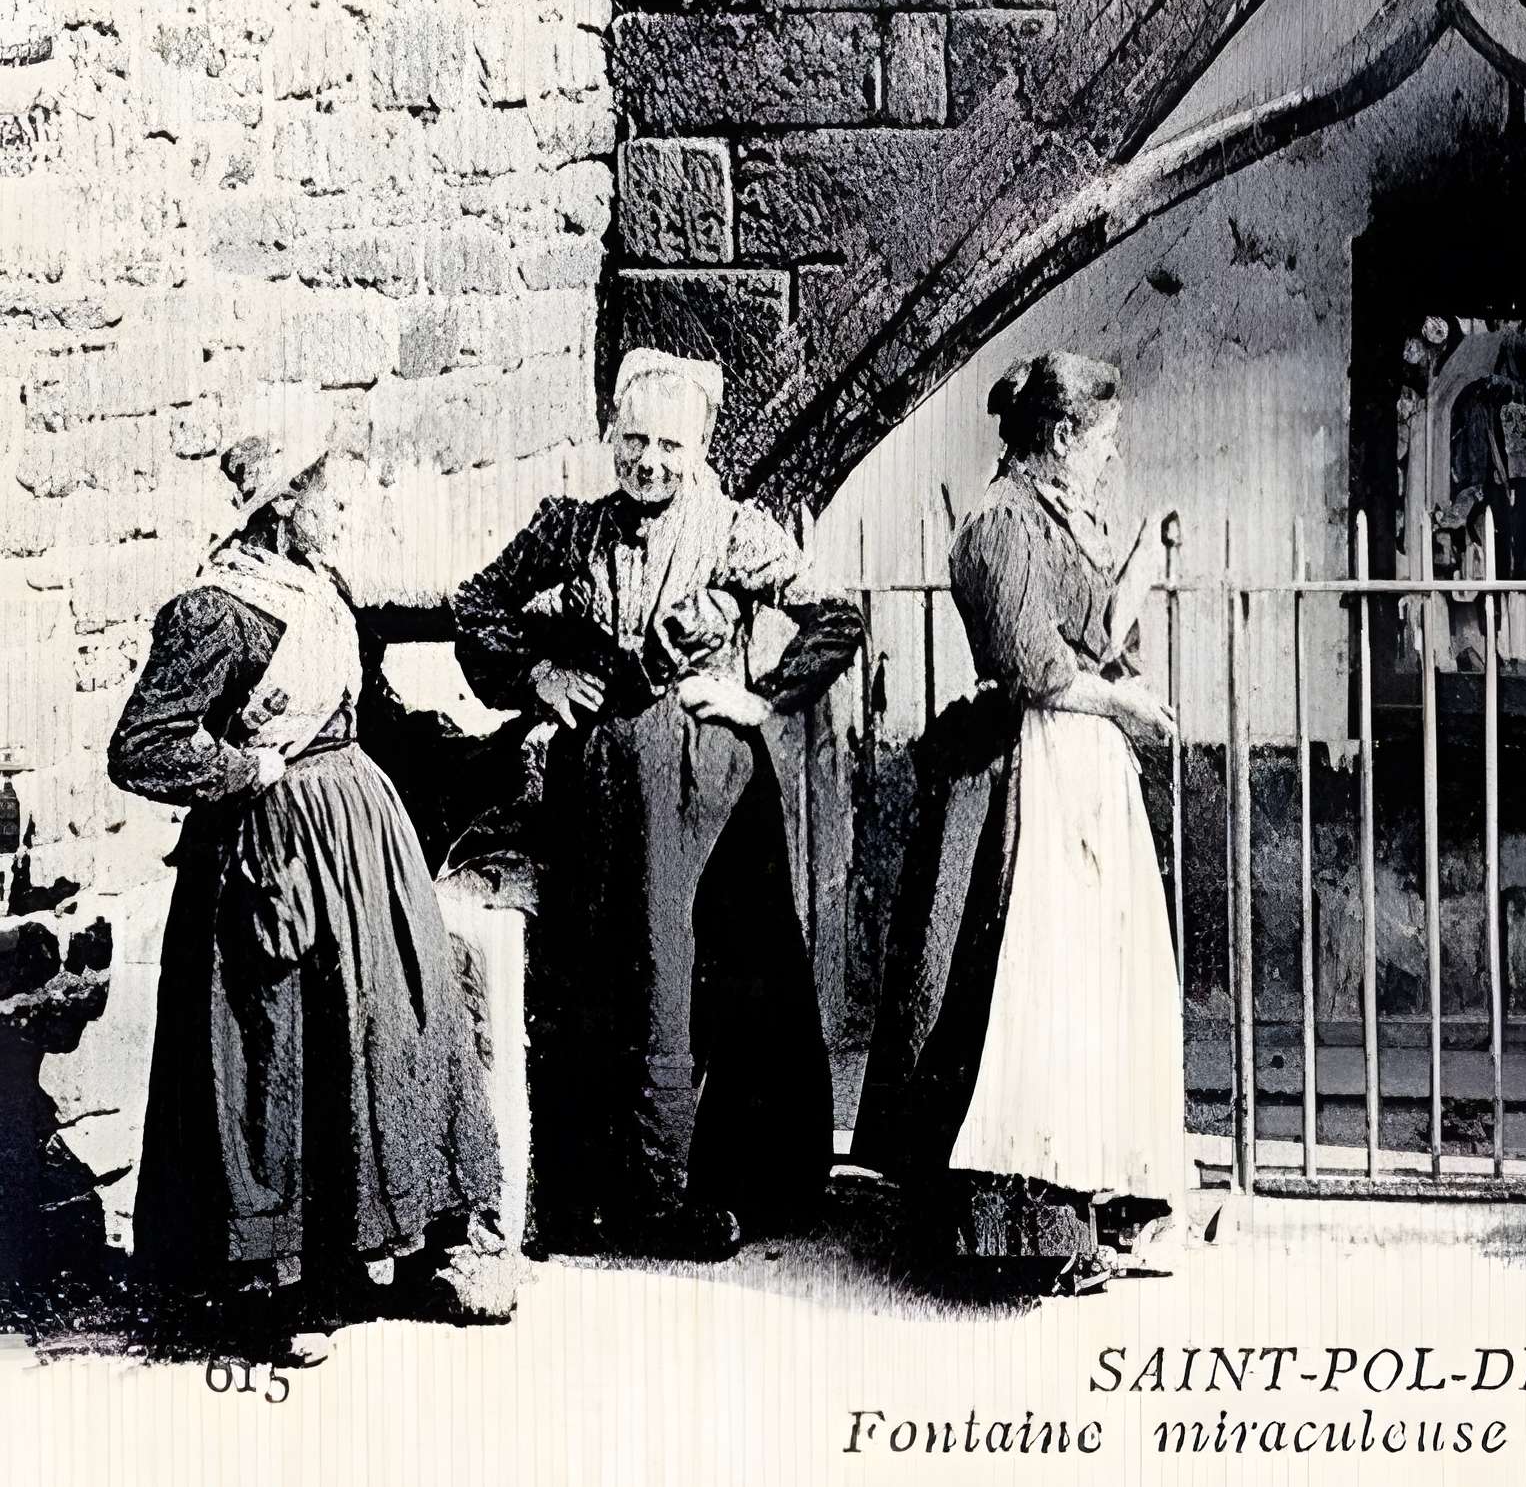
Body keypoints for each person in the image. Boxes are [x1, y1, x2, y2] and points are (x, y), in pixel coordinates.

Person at [110, 421, 509, 1366]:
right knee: (275, 1054)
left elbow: (378, 690)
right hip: (269, 854)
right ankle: (270, 1293)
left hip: (361, 838)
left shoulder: (323, 592)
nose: (349, 514)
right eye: (335, 498)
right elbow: (143, 746)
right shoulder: (217, 611)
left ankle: (411, 1257)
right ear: (283, 503)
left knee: (394, 1035)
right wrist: (243, 769)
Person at [450, 349, 863, 1261]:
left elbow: (835, 614)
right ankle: (606, 1189)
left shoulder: (732, 529)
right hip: (601, 787)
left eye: (671, 444)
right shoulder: (571, 530)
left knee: (710, 972)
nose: (650, 462)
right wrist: (537, 675)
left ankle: (712, 1184)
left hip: (712, 792)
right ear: (609, 435)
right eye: (633, 440)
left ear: (704, 443)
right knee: (610, 970)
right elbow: (474, 606)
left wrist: (763, 698)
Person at [854, 351, 1187, 1296]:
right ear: (1063, 438)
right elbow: (1036, 668)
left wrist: (1146, 562)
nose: (1113, 461)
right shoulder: (997, 527)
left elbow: (1098, 631)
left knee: (1080, 999)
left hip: (1075, 775)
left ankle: (1081, 1216)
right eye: (1105, 443)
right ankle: (1011, 1238)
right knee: (1016, 1000)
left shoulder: (1059, 521)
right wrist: (1127, 709)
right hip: (1014, 782)